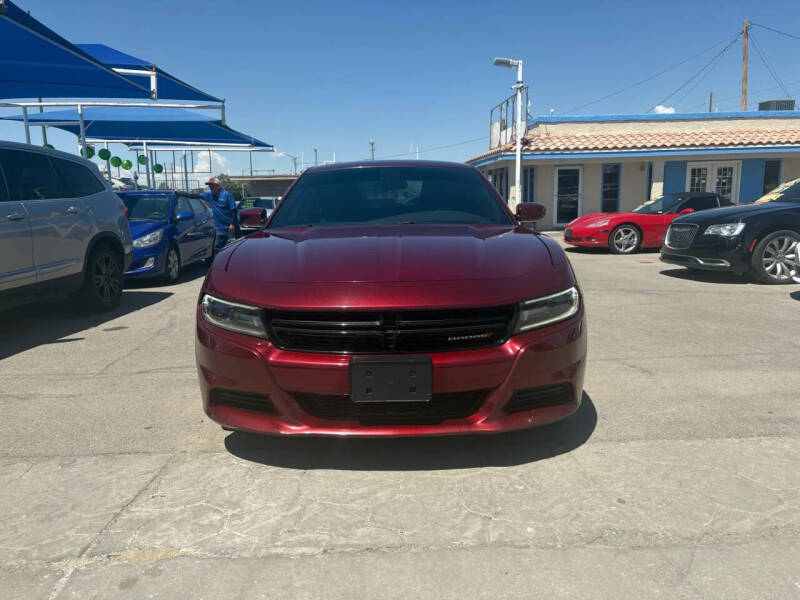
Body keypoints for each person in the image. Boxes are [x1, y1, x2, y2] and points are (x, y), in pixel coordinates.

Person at [175, 177, 237, 254]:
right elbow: (194, 195)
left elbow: (234, 210)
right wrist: (180, 193)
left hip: (230, 228)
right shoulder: (209, 195)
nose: (211, 188)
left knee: (233, 250)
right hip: (219, 228)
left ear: (218, 186)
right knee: (217, 249)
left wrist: (232, 224)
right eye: (210, 186)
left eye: (212, 186)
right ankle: (217, 265)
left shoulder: (227, 195)